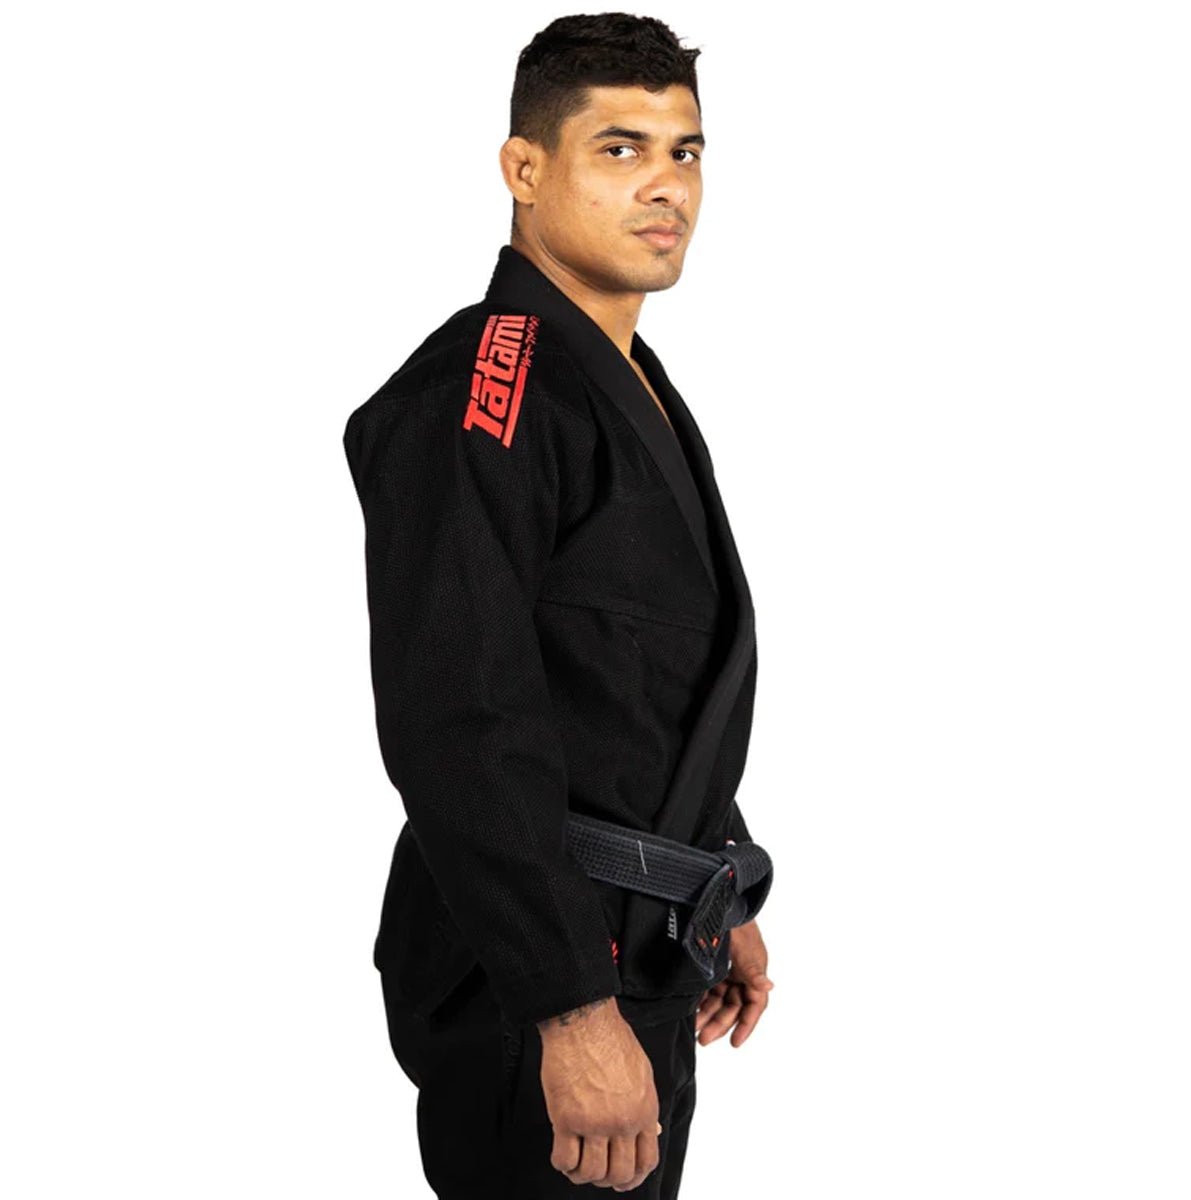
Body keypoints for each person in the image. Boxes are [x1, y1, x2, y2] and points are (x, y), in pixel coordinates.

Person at [343, 13, 776, 1197]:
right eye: (619, 149)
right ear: (524, 170)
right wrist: (567, 1005)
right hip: (536, 975)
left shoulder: (617, 380)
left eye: (686, 152)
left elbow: (622, 679)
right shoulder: (486, 390)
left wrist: (710, 870)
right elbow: (461, 715)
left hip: (636, 942)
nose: (666, 185)